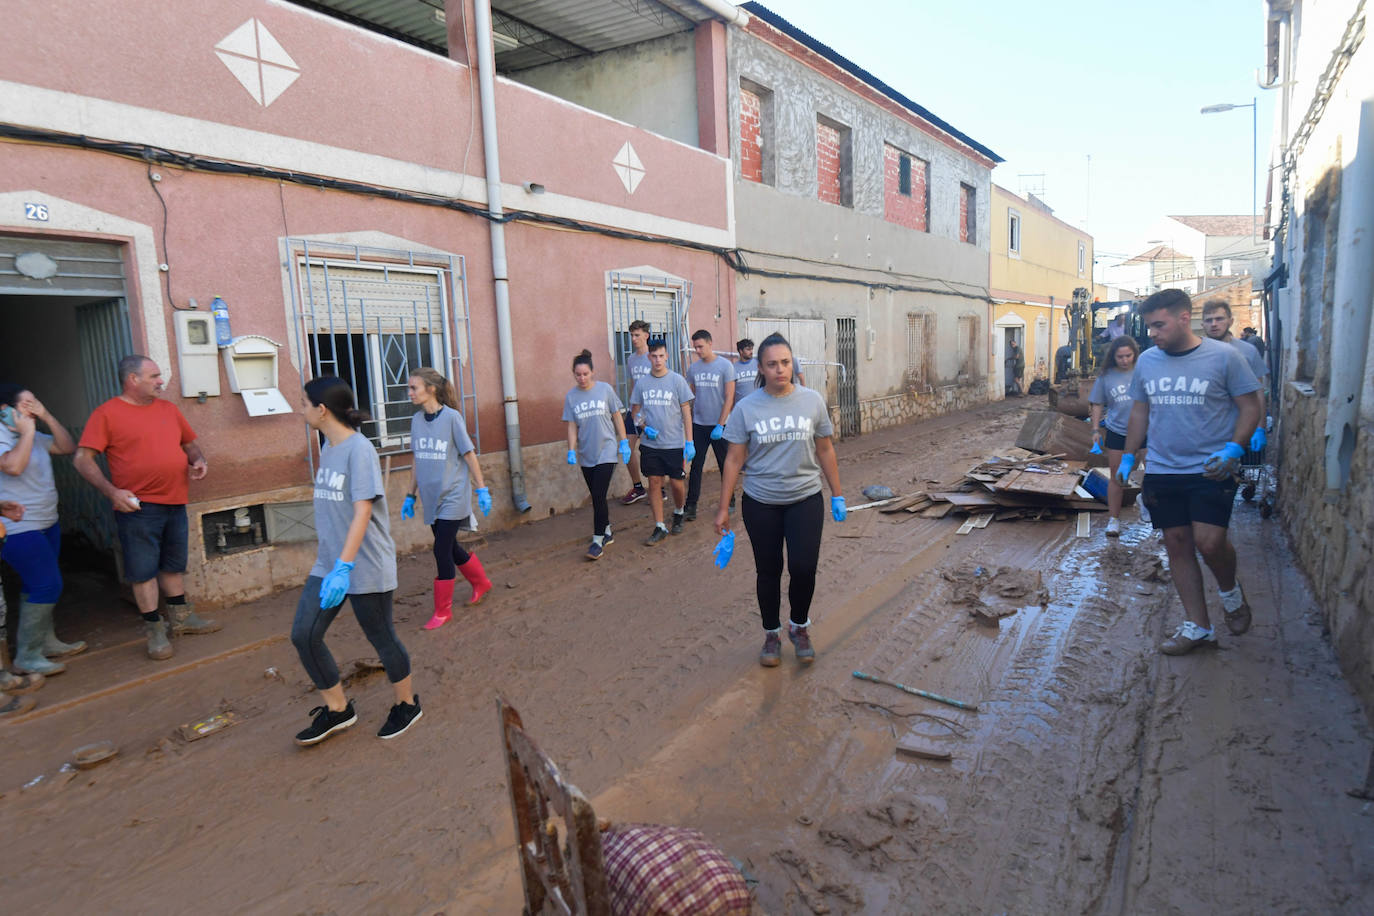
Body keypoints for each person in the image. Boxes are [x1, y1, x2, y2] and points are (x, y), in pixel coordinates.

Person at [1121, 289, 1261, 655]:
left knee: (1210, 542)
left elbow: (1250, 406)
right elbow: (1140, 411)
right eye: (1149, 326)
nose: (1152, 334)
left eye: (1158, 325)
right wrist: (1127, 456)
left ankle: (1230, 592)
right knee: (1177, 544)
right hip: (1164, 470)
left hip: (1212, 468)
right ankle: (1198, 627)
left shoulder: (1225, 358)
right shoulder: (1148, 362)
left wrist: (1235, 448)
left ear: (1185, 318)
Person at [291, 377, 421, 745]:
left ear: (321, 410)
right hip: (329, 565)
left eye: (304, 403)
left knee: (381, 638)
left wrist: (345, 568)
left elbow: (363, 511)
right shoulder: (329, 449)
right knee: (304, 635)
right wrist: (333, 567)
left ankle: (407, 704)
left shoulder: (359, 450)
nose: (299, 409)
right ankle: (337, 710)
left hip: (363, 565)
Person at [73, 356, 220, 661]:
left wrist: (199, 460)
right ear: (133, 379)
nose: (160, 381)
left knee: (172, 564)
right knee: (142, 572)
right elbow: (82, 460)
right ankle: (154, 630)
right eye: (153, 376)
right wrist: (112, 492)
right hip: (138, 507)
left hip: (176, 500)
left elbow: (189, 444)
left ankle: (181, 620)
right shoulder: (107, 414)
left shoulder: (169, 409)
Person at [714, 333, 845, 667]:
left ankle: (798, 626)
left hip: (805, 499)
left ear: (792, 364)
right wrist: (722, 508)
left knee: (803, 568)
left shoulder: (812, 401)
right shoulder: (746, 408)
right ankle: (771, 634)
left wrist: (838, 494)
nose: (780, 369)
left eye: (785, 362)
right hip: (761, 503)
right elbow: (733, 459)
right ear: (760, 368)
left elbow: (825, 448)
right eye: (772, 364)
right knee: (768, 570)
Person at [400, 368, 492, 631]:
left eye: (413, 388)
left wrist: (481, 489)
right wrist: (410, 494)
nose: (409, 393)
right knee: (450, 546)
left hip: (453, 494)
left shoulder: (452, 418)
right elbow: (417, 459)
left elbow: (469, 454)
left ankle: (443, 611)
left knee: (441, 550)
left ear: (430, 389)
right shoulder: (417, 421)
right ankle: (481, 582)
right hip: (431, 498)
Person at [0, 385, 81, 677]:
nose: (30, 408)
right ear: (5, 410)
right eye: (24, 404)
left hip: (47, 522)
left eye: (34, 402)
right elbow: (12, 467)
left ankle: (46, 642)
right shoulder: (4, 435)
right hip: (18, 527)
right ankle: (27, 655)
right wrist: (28, 431)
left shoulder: (33, 433)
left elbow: (67, 446)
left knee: (34, 585)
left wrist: (45, 415)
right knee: (48, 584)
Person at [563, 350, 631, 560]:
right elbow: (572, 425)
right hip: (586, 454)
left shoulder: (605, 390)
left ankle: (597, 540)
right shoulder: (571, 396)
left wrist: (624, 441)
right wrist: (571, 449)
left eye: (585, 374)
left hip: (607, 450)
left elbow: (617, 416)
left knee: (599, 495)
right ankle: (607, 530)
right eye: (578, 374)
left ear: (593, 372)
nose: (582, 378)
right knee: (597, 496)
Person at [630, 339, 694, 545]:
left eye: (661, 356)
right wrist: (642, 426)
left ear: (667, 356)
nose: (657, 360)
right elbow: (635, 413)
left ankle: (678, 510)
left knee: (676, 484)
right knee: (654, 483)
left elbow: (686, 411)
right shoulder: (642, 383)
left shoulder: (677, 381)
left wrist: (689, 441)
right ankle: (659, 526)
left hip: (674, 444)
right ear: (649, 357)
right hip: (650, 445)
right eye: (654, 356)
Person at [1088, 339, 1147, 536]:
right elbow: (1097, 403)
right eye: (1120, 356)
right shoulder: (1106, 376)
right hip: (1118, 431)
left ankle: (1153, 509)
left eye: (1128, 356)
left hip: (1146, 430)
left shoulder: (1143, 371)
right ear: (1113, 357)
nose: (1124, 360)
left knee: (1155, 471)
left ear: (1135, 354)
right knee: (1118, 476)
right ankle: (1113, 519)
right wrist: (1095, 430)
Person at [683, 330, 736, 522]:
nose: (698, 350)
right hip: (699, 424)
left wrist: (720, 425)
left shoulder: (725, 366)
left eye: (700, 346)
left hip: (720, 426)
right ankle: (691, 506)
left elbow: (729, 396)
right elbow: (689, 395)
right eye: (695, 347)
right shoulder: (693, 369)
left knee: (725, 464)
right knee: (696, 465)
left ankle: (730, 500)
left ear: (710, 343)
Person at [1202, 300, 1270, 449]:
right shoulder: (1196, 353)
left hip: (1239, 426)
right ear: (1203, 324)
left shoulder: (1248, 351)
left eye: (1219, 319)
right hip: (1206, 429)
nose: (1214, 324)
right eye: (1209, 320)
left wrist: (1260, 428)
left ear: (1230, 321)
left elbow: (1258, 391)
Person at [619, 320, 654, 506]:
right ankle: (638, 487)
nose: (633, 339)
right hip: (635, 411)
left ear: (646, 336)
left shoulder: (654, 357)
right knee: (627, 449)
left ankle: (657, 488)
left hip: (652, 413)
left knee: (651, 452)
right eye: (631, 335)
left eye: (637, 335)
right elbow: (634, 385)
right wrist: (633, 410)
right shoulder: (631, 359)